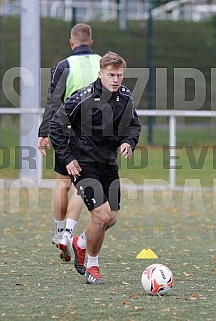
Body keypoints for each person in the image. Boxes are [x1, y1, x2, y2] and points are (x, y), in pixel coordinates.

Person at [49, 51, 141, 284]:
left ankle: (80, 242)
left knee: (112, 219)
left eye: (120, 75)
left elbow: (133, 126)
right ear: (100, 74)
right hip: (84, 166)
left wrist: (128, 142)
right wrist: (68, 158)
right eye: (111, 74)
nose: (116, 79)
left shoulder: (125, 98)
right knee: (100, 217)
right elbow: (56, 125)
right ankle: (92, 268)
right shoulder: (83, 97)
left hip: (108, 165)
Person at [38, 23, 101, 262]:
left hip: (66, 129)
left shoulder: (64, 65)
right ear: (91, 43)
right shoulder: (104, 63)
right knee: (81, 183)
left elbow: (54, 101)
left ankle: (58, 231)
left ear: (71, 42)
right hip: (96, 132)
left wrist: (44, 132)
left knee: (63, 181)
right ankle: (68, 234)